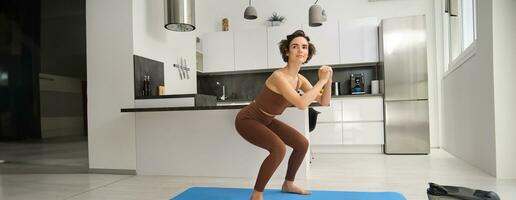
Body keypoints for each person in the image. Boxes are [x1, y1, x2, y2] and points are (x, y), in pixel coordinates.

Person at [234, 30, 332, 200]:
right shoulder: (279, 76)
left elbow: (324, 101)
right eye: (295, 46)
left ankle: (288, 184)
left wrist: (328, 79)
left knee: (302, 143)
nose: (300, 50)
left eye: (304, 47)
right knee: (278, 149)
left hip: (267, 120)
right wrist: (321, 81)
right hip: (248, 119)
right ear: (287, 51)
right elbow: (301, 104)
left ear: (308, 53)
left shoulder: (299, 79)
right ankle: (256, 194)